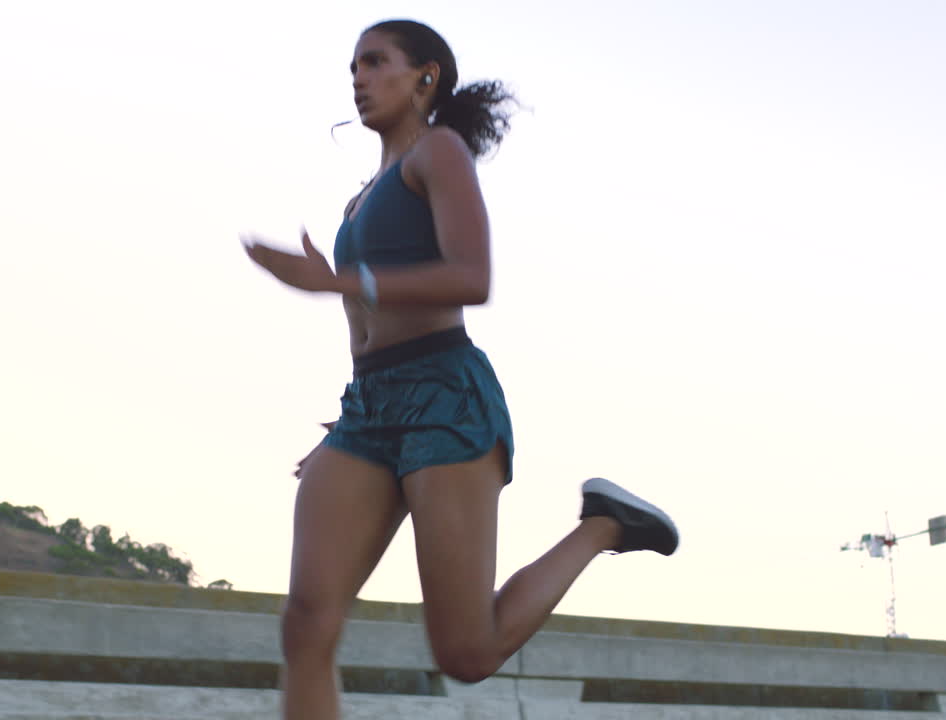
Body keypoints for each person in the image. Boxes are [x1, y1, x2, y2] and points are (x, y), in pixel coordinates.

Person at [242, 19, 679, 720]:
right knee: (306, 626)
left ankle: (603, 525)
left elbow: (472, 278)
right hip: (369, 411)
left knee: (467, 654)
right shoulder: (361, 195)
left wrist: (341, 282)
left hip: (446, 399)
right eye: (352, 65)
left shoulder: (438, 153)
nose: (357, 77)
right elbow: (365, 323)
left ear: (425, 77)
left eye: (375, 61)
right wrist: (348, 413)